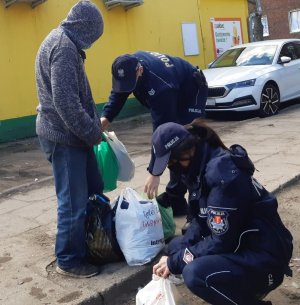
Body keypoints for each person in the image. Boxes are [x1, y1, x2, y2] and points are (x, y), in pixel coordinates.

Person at [150, 120, 293, 305]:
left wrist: (176, 262)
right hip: (243, 244)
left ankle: (251, 297)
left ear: (184, 153)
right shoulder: (198, 168)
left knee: (195, 273)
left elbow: (221, 241)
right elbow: (199, 223)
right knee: (175, 247)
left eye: (170, 163)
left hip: (264, 256)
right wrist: (174, 256)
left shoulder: (222, 175)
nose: (171, 168)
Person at [35, 0, 104, 278]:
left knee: (92, 188)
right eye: (94, 36)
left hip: (72, 136)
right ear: (85, 29)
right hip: (65, 138)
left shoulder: (63, 40)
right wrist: (93, 133)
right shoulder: (64, 49)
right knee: (72, 202)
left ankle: (85, 243)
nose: (92, 43)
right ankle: (68, 260)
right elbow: (66, 104)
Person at [100, 51, 208, 216]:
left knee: (184, 143)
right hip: (173, 86)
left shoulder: (160, 87)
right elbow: (119, 93)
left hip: (191, 91)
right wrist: (105, 118)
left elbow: (162, 132)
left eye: (130, 82)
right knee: (174, 142)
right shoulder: (128, 65)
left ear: (140, 71)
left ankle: (195, 202)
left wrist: (154, 173)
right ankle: (176, 199)